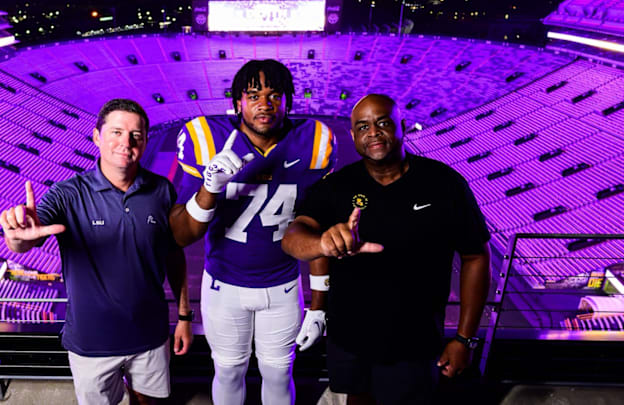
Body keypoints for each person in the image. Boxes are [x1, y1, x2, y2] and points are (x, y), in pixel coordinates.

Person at [281, 94, 491, 405]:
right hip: (349, 339)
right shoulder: (336, 187)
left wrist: (464, 338)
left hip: (414, 342)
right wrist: (321, 243)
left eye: (382, 123)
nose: (373, 133)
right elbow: (292, 237)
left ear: (401, 126)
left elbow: (476, 256)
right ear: (353, 135)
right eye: (363, 127)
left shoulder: (444, 184)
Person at [0, 99, 201, 405]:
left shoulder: (162, 190)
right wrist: (16, 237)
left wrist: (184, 316)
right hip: (91, 342)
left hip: (150, 335)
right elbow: (25, 241)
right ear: (97, 136)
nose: (126, 142)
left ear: (145, 141)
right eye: (116, 132)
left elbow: (173, 253)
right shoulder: (67, 194)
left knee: (149, 402)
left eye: (135, 135)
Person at [174, 59, 337, 405]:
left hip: (282, 286)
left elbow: (317, 229)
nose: (265, 104)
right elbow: (181, 233)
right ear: (238, 103)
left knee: (279, 372)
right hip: (223, 285)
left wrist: (319, 305)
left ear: (288, 102)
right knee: (228, 370)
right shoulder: (206, 139)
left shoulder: (314, 142)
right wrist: (208, 188)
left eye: (275, 95)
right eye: (253, 95)